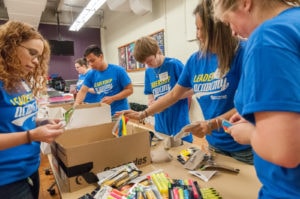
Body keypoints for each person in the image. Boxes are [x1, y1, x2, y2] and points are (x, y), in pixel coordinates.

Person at [118, 0, 253, 165]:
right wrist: (144, 113)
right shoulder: (195, 61)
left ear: (217, 27)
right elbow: (174, 94)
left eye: (199, 28)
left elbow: (249, 104)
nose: (197, 34)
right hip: (215, 143)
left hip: (245, 146)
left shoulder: (245, 52)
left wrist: (213, 123)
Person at [213, 0, 300, 198]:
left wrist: (251, 133)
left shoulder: (269, 36)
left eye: (229, 21)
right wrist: (259, 120)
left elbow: (284, 150)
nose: (233, 32)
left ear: (245, 3)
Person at [0, 21, 64, 199]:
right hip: (6, 180)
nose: (36, 61)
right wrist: (32, 135)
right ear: (10, 46)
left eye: (39, 56)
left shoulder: (20, 81)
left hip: (29, 169)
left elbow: (15, 121)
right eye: (32, 53)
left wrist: (41, 122)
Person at [133, 36, 193, 143]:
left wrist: (168, 99)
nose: (148, 65)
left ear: (157, 51)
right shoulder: (149, 71)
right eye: (145, 63)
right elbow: (150, 93)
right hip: (161, 124)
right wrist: (151, 102)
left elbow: (192, 89)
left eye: (150, 61)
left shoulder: (174, 65)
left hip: (179, 121)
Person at [74, 45, 133, 116]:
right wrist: (76, 105)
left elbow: (129, 90)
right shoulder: (91, 74)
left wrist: (112, 98)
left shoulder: (118, 70)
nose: (91, 64)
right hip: (103, 112)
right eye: (88, 62)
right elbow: (83, 91)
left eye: (92, 60)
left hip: (120, 112)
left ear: (101, 57)